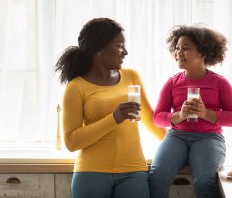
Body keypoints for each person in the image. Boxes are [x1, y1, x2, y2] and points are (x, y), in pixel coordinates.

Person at [55, 17, 166, 198]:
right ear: (99, 49)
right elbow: (72, 141)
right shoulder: (76, 87)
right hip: (91, 172)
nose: (126, 52)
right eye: (120, 46)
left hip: (133, 171)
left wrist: (182, 145)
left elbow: (151, 119)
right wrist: (114, 118)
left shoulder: (132, 76)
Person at [148, 25, 232, 198]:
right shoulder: (172, 83)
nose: (178, 53)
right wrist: (180, 115)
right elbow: (158, 118)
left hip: (209, 138)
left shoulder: (220, 83)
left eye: (186, 48)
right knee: (157, 176)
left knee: (204, 181)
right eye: (177, 48)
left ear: (203, 53)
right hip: (177, 137)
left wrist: (206, 113)